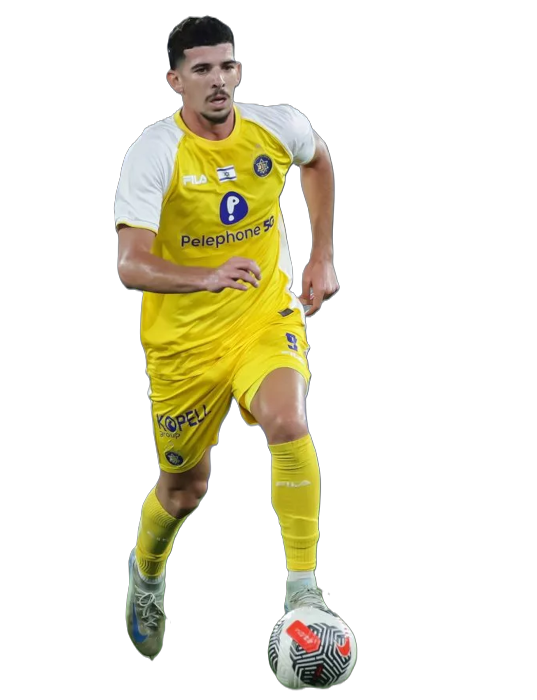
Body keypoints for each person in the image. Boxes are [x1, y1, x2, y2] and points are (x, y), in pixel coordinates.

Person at [114, 16, 339, 661]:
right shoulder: (154, 152)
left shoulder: (276, 126)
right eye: (203, 69)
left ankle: (304, 590)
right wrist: (206, 276)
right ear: (175, 80)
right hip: (183, 347)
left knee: (288, 419)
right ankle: (147, 572)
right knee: (185, 489)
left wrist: (321, 255)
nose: (219, 80)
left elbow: (318, 159)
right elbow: (131, 265)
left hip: (262, 315)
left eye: (227, 66)